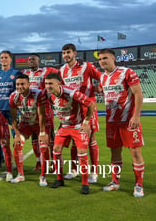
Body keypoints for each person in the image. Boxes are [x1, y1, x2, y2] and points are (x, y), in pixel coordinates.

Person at [98, 48, 145, 198]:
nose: (102, 61)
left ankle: (139, 185)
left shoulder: (127, 72)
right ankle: (115, 182)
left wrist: (136, 116)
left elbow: (138, 93)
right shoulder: (102, 78)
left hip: (128, 121)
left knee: (135, 152)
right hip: (112, 122)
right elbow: (102, 92)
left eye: (105, 58)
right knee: (115, 153)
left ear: (113, 58)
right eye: (100, 59)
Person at [44, 73, 95, 195]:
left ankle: (85, 183)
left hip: (77, 126)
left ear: (59, 83)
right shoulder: (48, 95)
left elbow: (91, 104)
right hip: (64, 126)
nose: (48, 86)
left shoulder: (71, 93)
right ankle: (59, 179)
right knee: (55, 150)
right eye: (46, 83)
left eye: (51, 83)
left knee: (82, 152)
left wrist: (86, 122)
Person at [60, 43, 101, 183]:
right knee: (73, 141)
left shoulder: (86, 66)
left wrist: (97, 88)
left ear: (75, 53)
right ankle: (74, 169)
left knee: (91, 140)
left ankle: (94, 172)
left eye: (68, 52)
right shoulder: (62, 70)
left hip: (87, 108)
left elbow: (102, 77)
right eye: (64, 52)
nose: (66, 55)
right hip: (71, 111)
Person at [9, 74, 49, 185]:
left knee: (43, 146)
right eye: (17, 84)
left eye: (22, 84)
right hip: (26, 123)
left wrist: (42, 133)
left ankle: (43, 176)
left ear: (29, 84)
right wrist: (17, 134)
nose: (20, 87)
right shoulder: (13, 97)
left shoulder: (38, 94)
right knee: (17, 144)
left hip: (39, 122)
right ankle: (20, 175)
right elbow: (13, 117)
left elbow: (42, 115)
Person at [22, 53, 57, 171]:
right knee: (35, 138)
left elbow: (61, 72)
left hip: (45, 107)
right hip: (31, 109)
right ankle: (38, 161)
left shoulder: (46, 71)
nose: (31, 61)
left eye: (34, 60)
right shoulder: (24, 73)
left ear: (39, 61)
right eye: (30, 60)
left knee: (49, 137)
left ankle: (52, 162)